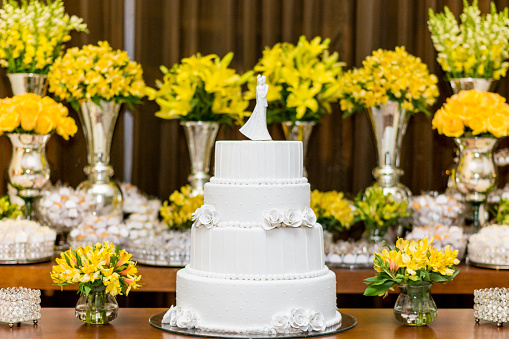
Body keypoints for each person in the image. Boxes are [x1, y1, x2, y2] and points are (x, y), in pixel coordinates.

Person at [239, 74, 272, 140]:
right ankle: (259, 132)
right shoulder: (259, 87)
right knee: (260, 115)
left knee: (262, 115)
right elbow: (260, 94)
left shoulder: (264, 87)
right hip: (260, 102)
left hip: (262, 102)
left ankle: (262, 132)